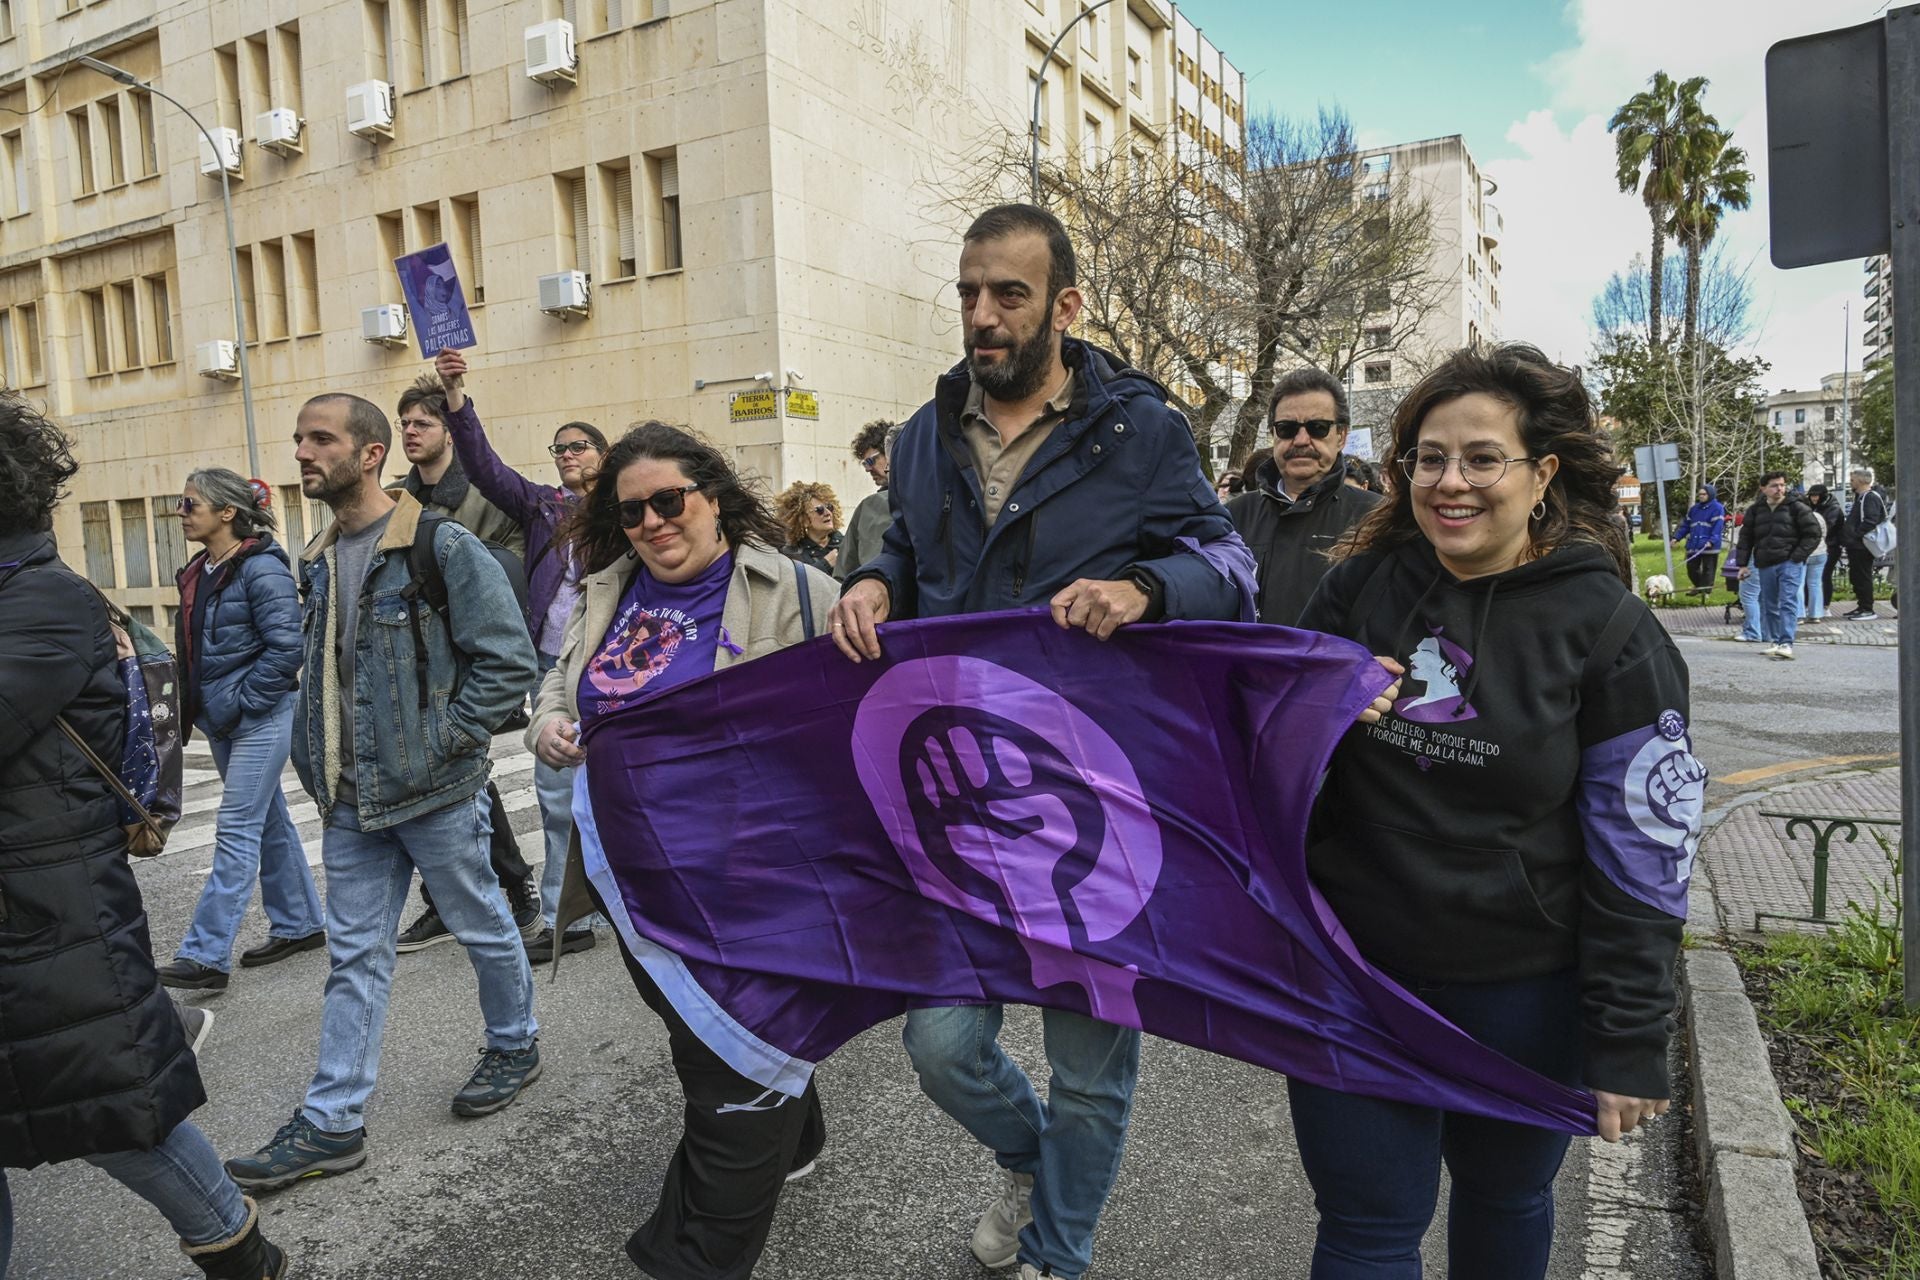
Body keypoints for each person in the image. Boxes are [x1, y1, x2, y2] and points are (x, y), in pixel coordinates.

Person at [831, 202, 1257, 1280]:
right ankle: (1032, 1165)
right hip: (956, 796)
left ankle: (1058, 1254)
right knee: (941, 1046)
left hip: (1094, 803)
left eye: (1008, 293)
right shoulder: (925, 435)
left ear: (1065, 305)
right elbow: (910, 554)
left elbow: (1231, 564)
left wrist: (1148, 586)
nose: (982, 314)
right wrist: (873, 578)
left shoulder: (1144, 429)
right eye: (969, 290)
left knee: (1089, 1066)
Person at [1294, 343, 1698, 1278]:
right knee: (1365, 1228)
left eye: (1483, 458)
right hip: (1356, 978)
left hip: (1526, 992)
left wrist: (1629, 1035)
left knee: (1506, 1199)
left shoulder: (1609, 631)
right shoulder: (1359, 588)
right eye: (1429, 458)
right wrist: (1311, 712)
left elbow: (1645, 849)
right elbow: (1249, 745)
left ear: (1542, 473)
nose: (1451, 482)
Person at [531, 423, 836, 1279]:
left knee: (725, 1072)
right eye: (633, 512)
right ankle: (799, 1128)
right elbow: (561, 677)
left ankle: (693, 1258)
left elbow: (856, 715)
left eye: (671, 501)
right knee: (689, 1026)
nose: (654, 523)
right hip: (631, 876)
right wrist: (550, 721)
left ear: (714, 499)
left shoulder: (799, 590)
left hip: (751, 882)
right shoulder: (606, 589)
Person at [0, 396, 288, 1277]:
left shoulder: (45, 600)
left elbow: (269, 648)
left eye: (193, 507)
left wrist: (223, 707)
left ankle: (239, 1252)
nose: (183, 519)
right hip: (32, 910)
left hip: (47, 918)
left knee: (115, 1116)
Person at [225, 392, 540, 1195]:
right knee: (354, 958)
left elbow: (508, 661)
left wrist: (442, 741)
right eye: (298, 438)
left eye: (320, 438)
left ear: (369, 454)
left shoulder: (441, 545)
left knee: (482, 924)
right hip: (351, 798)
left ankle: (515, 1041)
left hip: (434, 789)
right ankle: (333, 1122)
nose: (302, 452)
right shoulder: (317, 558)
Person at [437, 348, 609, 961]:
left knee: (626, 782)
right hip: (553, 666)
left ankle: (634, 893)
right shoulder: (545, 507)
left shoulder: (626, 510)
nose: (566, 455)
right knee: (556, 787)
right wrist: (456, 396)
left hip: (618, 662)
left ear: (604, 455)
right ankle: (571, 919)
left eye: (578, 446)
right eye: (558, 448)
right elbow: (485, 469)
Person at [387, 372, 542, 951]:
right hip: (417, 655)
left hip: (472, 655)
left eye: (421, 423)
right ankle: (459, 899)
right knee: (440, 781)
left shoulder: (483, 492)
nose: (410, 432)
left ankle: (514, 891)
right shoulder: (400, 499)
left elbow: (514, 568)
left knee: (464, 775)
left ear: (449, 431)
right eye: (404, 424)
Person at [155, 469, 325, 993]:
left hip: (261, 716)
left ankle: (206, 954)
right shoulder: (201, 568)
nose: (180, 512)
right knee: (268, 819)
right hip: (223, 720)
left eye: (190, 503)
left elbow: (286, 650)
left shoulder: (261, 569)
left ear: (227, 512)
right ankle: (300, 923)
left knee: (236, 828)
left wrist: (243, 701)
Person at [1226, 368, 1384, 626]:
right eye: (1287, 428)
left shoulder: (1377, 519)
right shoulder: (1233, 516)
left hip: (1338, 666)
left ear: (1341, 436)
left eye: (1317, 428)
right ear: (1274, 434)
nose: (1301, 440)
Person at [1736, 472, 1822, 661]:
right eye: (1774, 485)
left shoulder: (1796, 507)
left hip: (1789, 562)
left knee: (1788, 601)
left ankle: (1786, 642)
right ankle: (1775, 640)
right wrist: (1742, 564)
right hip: (1765, 563)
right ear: (1763, 488)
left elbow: (1814, 533)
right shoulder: (1756, 510)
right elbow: (1746, 537)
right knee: (1769, 603)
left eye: (1782, 485)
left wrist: (1797, 557)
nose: (1779, 489)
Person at [838, 420, 896, 581]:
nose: (868, 469)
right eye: (864, 464)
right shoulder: (869, 507)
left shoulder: (873, 506)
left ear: (891, 453)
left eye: (871, 461)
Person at [1840, 466, 1890, 620]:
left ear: (1861, 481)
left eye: (1853, 480)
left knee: (1863, 576)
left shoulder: (1870, 497)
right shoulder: (1861, 497)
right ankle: (1862, 605)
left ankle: (1867, 609)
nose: (1851, 483)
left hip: (1862, 546)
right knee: (1857, 576)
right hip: (1856, 545)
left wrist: (1856, 535)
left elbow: (1870, 520)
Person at [776, 481, 843, 575]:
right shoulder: (792, 553)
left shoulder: (847, 544)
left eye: (829, 507)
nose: (827, 513)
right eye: (819, 510)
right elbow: (794, 582)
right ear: (803, 520)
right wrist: (825, 564)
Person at [1671, 484, 1725, 591]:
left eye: (1704, 494)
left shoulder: (1717, 508)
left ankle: (1705, 592)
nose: (1701, 496)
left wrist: (1712, 541)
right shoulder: (1694, 509)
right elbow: (1686, 525)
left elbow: (1717, 527)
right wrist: (1676, 538)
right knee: (1691, 568)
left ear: (1710, 494)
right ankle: (1700, 588)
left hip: (1709, 545)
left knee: (1708, 570)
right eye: (1699, 494)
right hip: (1694, 544)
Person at [1801, 484, 1839, 623]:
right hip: (1822, 549)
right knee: (1815, 582)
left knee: (1815, 580)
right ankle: (1815, 611)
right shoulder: (1818, 512)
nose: (1814, 498)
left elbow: (1828, 529)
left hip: (1823, 548)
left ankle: (1817, 608)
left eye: (1816, 495)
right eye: (1812, 495)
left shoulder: (1831, 509)